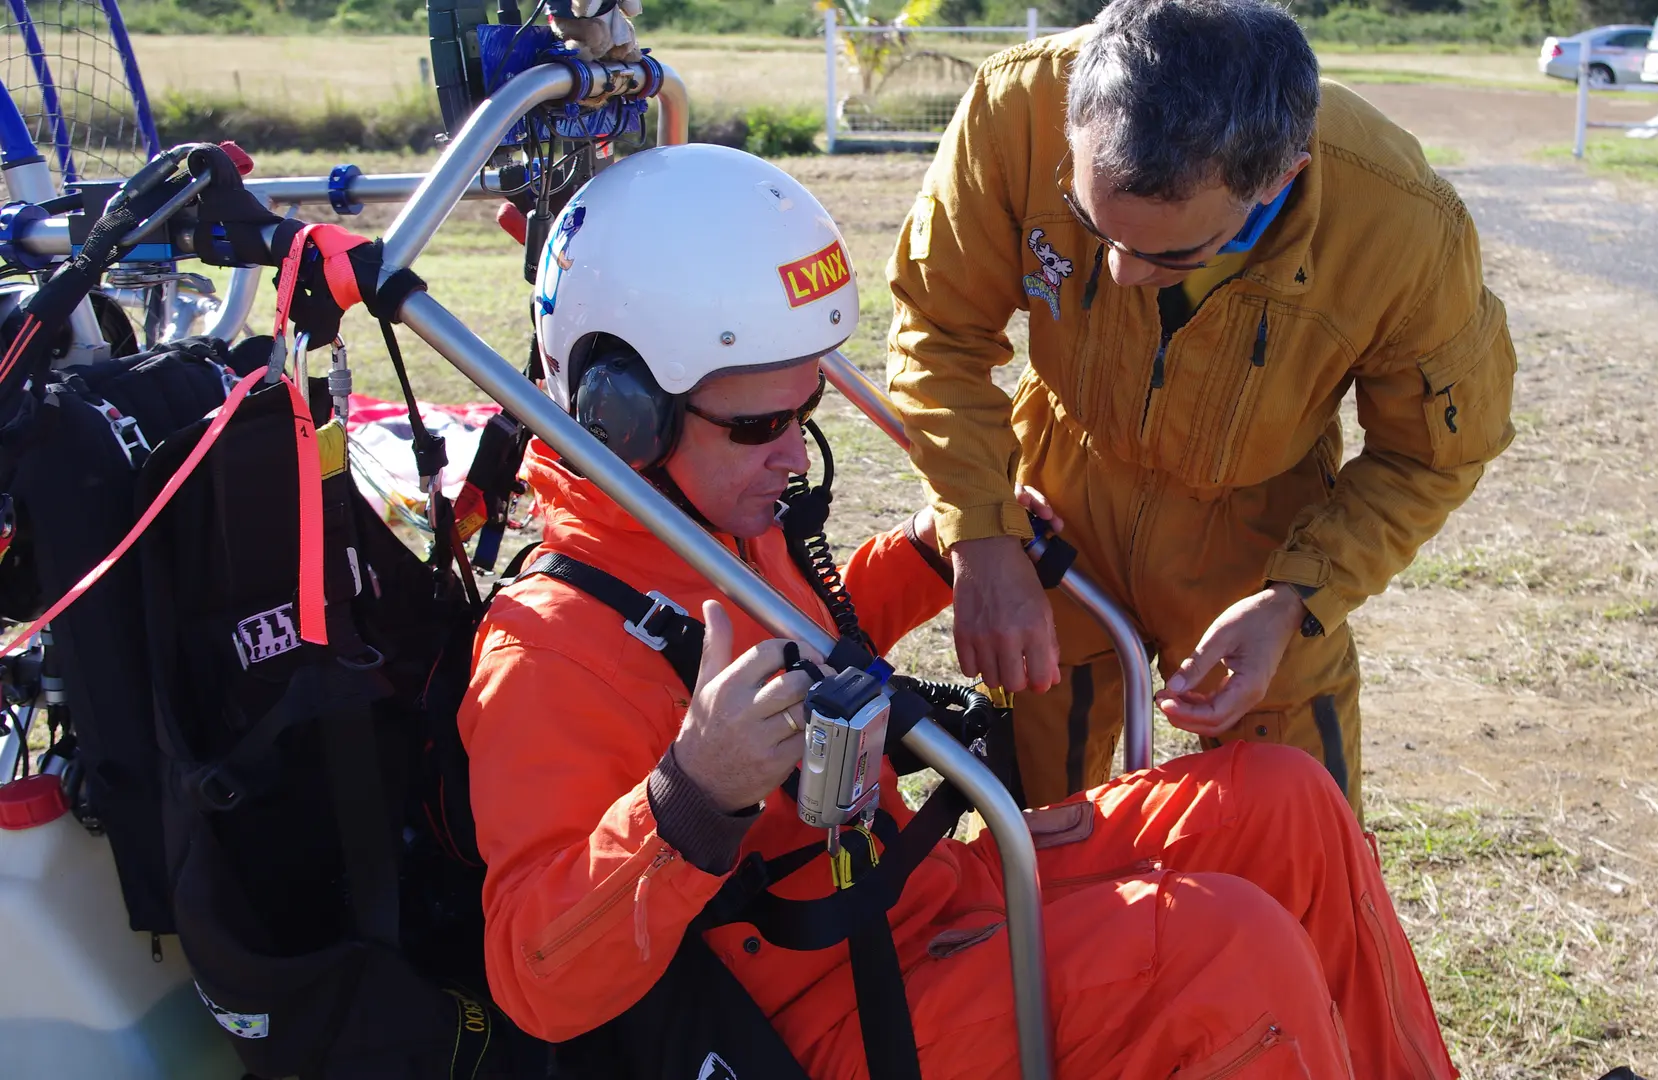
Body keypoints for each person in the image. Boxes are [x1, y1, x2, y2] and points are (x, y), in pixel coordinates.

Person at [460, 143, 1455, 1079]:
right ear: (619, 419)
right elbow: (532, 979)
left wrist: (935, 556)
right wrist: (692, 794)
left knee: (1285, 804)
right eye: (759, 425)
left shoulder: (708, 523)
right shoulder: (549, 651)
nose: (795, 458)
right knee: (1220, 949)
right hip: (833, 1010)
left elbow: (816, 635)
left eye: (803, 415)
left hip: (915, 898)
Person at [886, 0, 1519, 812]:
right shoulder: (1018, 107)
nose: (1118, 274)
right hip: (1059, 500)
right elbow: (937, 327)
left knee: (1296, 835)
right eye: (1091, 226)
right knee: (1035, 811)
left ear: (1278, 179)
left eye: (1172, 253)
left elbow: (1433, 453)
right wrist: (981, 531)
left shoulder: (1403, 226)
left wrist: (1297, 599)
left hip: (1262, 530)